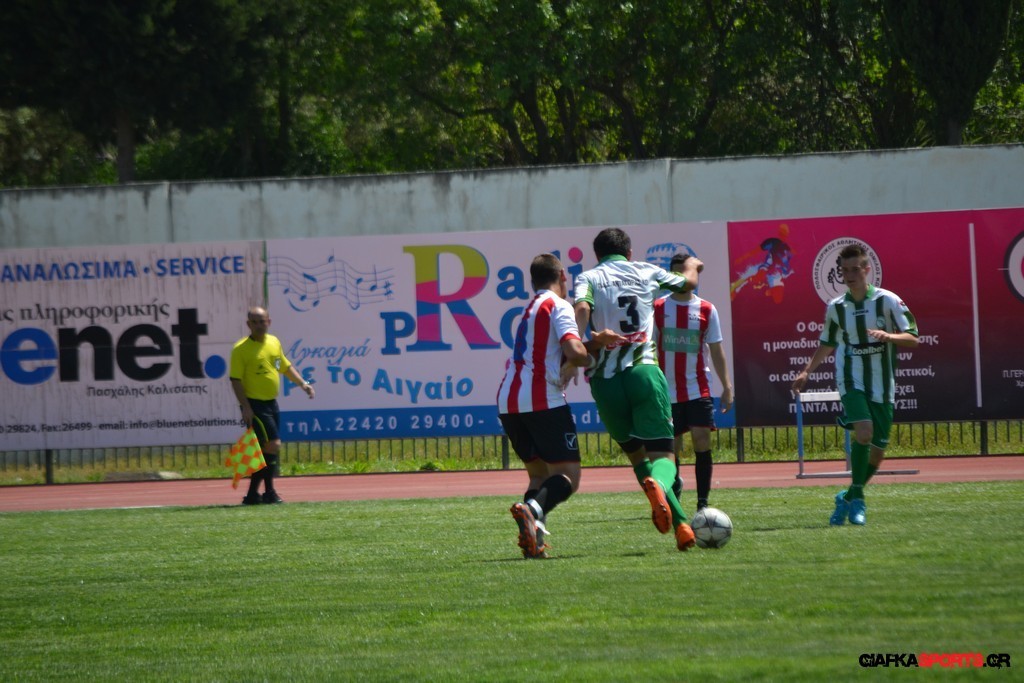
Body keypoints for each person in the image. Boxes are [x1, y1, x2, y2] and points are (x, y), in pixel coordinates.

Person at [573, 227, 704, 551]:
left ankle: (682, 525)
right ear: (629, 253)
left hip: (605, 381)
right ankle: (660, 488)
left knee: (636, 455)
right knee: (664, 457)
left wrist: (578, 345)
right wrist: (692, 265)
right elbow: (687, 284)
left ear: (597, 255)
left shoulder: (588, 277)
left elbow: (583, 308)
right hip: (643, 372)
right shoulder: (646, 271)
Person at [497, 254, 624, 558]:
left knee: (539, 476)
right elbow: (573, 351)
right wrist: (589, 359)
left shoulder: (530, 308)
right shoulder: (559, 305)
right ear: (563, 276)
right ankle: (531, 510)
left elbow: (557, 351)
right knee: (568, 477)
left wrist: (593, 343)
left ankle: (534, 541)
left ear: (533, 281)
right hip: (544, 399)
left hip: (510, 402)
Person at [791, 243, 919, 526]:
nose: (849, 275)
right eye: (845, 270)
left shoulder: (888, 301)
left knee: (878, 450)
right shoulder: (837, 307)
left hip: (882, 383)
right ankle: (859, 500)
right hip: (851, 377)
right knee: (863, 432)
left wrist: (889, 336)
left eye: (855, 269)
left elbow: (913, 337)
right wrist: (807, 371)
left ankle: (847, 496)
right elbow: (827, 343)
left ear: (866, 269)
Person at [653, 253, 734, 511]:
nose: (681, 277)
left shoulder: (707, 309)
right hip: (667, 391)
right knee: (672, 447)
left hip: (698, 388)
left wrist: (727, 387)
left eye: (684, 272)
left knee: (701, 439)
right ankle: (674, 496)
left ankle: (702, 504)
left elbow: (717, 351)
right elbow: (649, 348)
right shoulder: (658, 308)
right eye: (676, 273)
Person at [229, 306, 315, 505]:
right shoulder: (241, 349)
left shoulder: (273, 342)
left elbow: (284, 366)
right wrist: (246, 407)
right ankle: (265, 492)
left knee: (265, 449)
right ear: (248, 324)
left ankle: (257, 494)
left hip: (271, 403)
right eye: (254, 322)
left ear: (269, 321)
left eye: (262, 321)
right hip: (255, 405)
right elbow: (235, 380)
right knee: (273, 444)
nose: (259, 325)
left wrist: (303, 384)